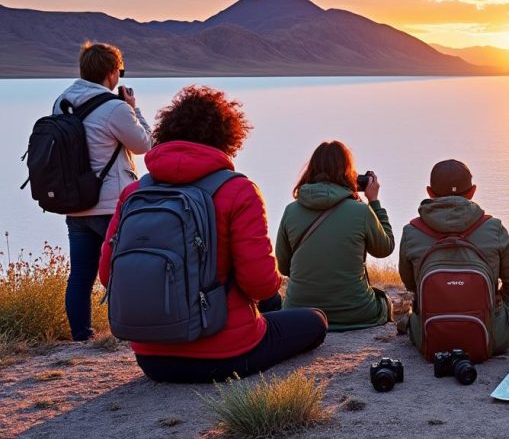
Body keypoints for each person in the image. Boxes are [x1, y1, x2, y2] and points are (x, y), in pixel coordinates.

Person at [98, 85, 327, 383]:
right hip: (227, 354)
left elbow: (107, 275)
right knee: (315, 321)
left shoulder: (134, 193)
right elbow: (259, 283)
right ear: (227, 137)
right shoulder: (238, 190)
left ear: (167, 132)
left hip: (152, 360)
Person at [52, 42, 152, 341]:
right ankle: (125, 332)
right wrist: (135, 111)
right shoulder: (115, 108)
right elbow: (144, 145)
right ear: (111, 74)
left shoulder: (61, 102)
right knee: (122, 271)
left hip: (76, 202)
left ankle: (81, 336)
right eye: (118, 71)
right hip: (111, 205)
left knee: (81, 275)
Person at [398, 159, 509, 357]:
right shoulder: (493, 228)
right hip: (492, 338)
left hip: (428, 338)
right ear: (472, 191)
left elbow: (411, 285)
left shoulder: (411, 232)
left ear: (429, 192)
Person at [276, 141, 395, 331]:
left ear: (312, 170)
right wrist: (374, 202)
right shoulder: (361, 211)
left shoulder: (290, 211)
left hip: (300, 312)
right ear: (349, 173)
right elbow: (385, 248)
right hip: (356, 312)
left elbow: (284, 267)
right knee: (384, 300)